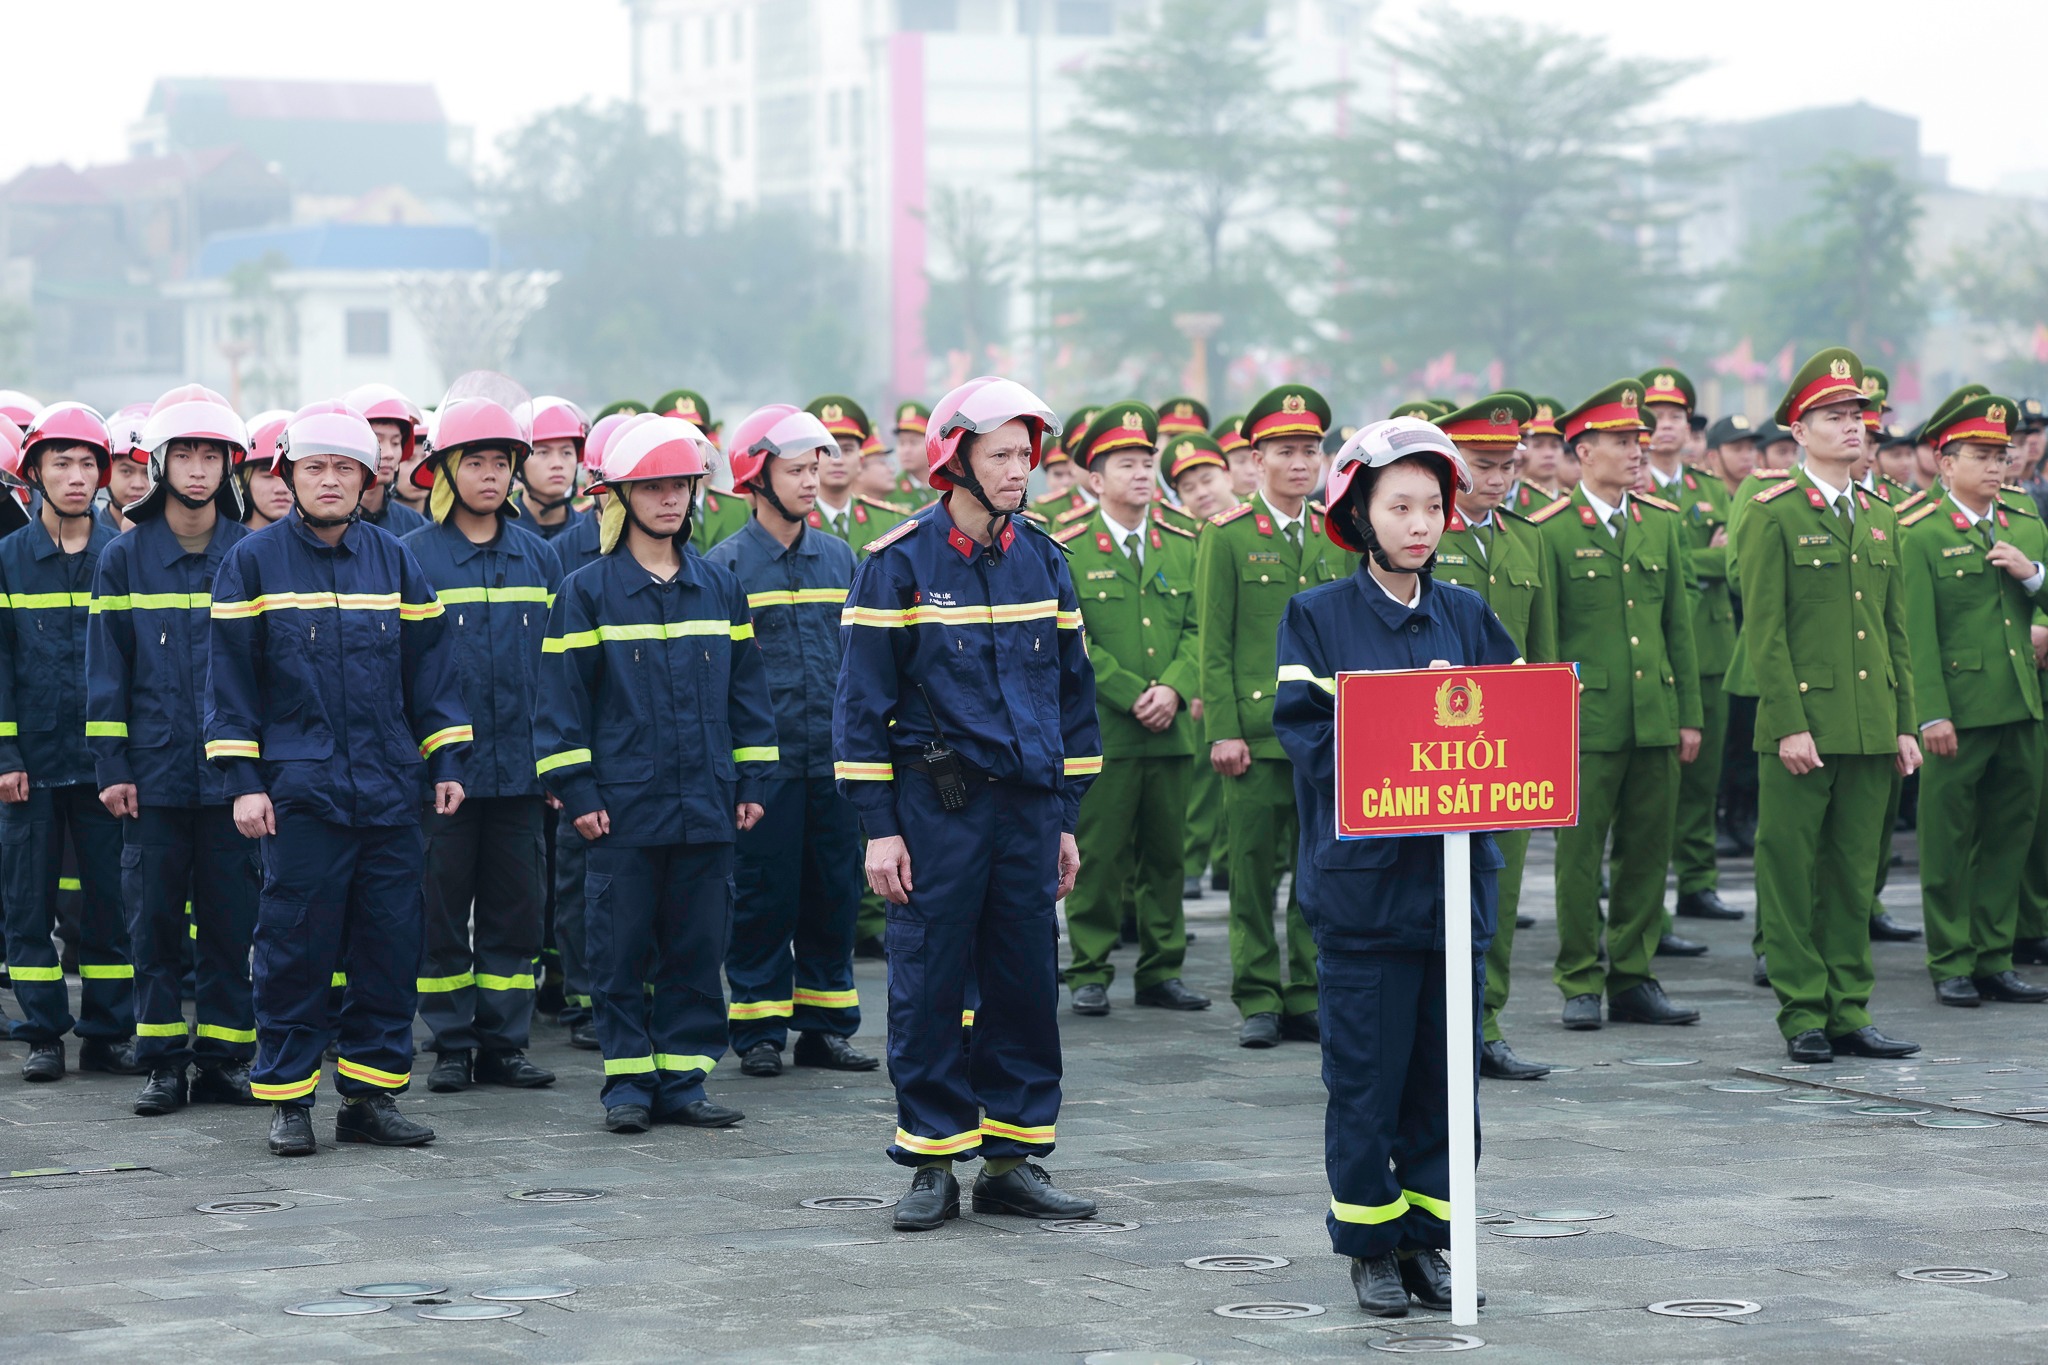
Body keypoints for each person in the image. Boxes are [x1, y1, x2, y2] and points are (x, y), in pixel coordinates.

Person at [835, 375, 1102, 1232]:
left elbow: (1073, 699)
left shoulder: (1044, 559)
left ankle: (1013, 1159)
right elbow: (858, 708)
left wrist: (1065, 816)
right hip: (935, 809)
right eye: (1002, 455)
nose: (1021, 470)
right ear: (956, 460)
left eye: (1027, 454)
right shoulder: (898, 564)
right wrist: (880, 830)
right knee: (927, 983)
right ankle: (933, 1159)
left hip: (1027, 811)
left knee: (1025, 983)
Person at [1273, 416, 1517, 1317]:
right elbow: (1306, 735)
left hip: (1457, 893)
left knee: (1445, 1083)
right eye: (1399, 505)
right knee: (1366, 1082)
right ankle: (1372, 1244)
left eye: (1432, 507)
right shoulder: (1318, 616)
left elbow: (1516, 730)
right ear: (1358, 513)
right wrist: (1406, 754)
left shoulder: (1467, 613)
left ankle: (1430, 1239)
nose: (1420, 523)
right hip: (1365, 894)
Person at [208, 399, 470, 1155]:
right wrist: (245, 780)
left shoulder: (395, 560)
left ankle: (369, 1097)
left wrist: (446, 758)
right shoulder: (251, 563)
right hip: (300, 795)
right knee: (295, 946)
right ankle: (289, 1099)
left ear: (366, 481)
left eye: (344, 468)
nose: (328, 480)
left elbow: (432, 672)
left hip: (389, 790)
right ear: (288, 473)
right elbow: (228, 685)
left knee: (390, 948)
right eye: (315, 466)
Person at [533, 413, 779, 1134]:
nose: (670, 499)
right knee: (618, 946)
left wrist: (751, 782)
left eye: (680, 485)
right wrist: (577, 789)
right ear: (619, 495)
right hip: (623, 807)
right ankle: (627, 1083)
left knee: (699, 945)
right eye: (654, 487)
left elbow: (748, 695)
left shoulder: (719, 588)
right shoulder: (585, 591)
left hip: (705, 801)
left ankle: (684, 1077)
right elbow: (560, 703)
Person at [1738, 347, 1921, 1064]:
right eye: (1834, 417)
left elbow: (1894, 629)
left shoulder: (1880, 514)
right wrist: (1787, 722)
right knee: (1789, 872)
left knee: (1853, 875)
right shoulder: (1771, 511)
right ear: (1799, 429)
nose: (1853, 428)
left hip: (1871, 725)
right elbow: (1766, 630)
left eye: (1858, 417)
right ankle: (1803, 1011)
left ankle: (1850, 1006)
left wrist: (1905, 720)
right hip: (1803, 728)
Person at [88, 384, 265, 1115]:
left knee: (233, 920)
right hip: (153, 776)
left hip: (230, 780)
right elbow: (106, 672)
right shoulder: (124, 560)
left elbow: (269, 672)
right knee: (154, 920)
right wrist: (112, 766)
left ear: (231, 465)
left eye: (211, 454)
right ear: (160, 462)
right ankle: (162, 1059)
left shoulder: (252, 555)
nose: (198, 468)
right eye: (184, 453)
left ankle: (224, 1059)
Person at [706, 404, 878, 1077]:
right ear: (755, 475)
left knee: (832, 893)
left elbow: (862, 663)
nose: (814, 479)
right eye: (797, 468)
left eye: (816, 466)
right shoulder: (726, 568)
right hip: (764, 768)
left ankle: (826, 1025)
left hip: (832, 762)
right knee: (761, 894)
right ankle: (757, 1026)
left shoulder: (840, 558)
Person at [399, 398, 562, 1094]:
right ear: (444, 471)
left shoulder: (541, 556)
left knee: (517, 911)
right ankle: (451, 1041)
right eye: (476, 463)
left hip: (523, 771)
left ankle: (505, 1039)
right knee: (439, 910)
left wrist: (559, 760)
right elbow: (401, 670)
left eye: (502, 462)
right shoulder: (412, 557)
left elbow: (559, 670)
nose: (491, 476)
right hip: (446, 775)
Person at [1534, 380, 1703, 1031]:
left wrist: (1688, 713)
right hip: (1586, 721)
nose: (1638, 450)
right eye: (1621, 441)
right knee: (1581, 857)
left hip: (1654, 714)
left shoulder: (1659, 521)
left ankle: (1633, 973)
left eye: (1640, 439)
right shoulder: (1548, 531)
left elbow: (1676, 629)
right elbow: (1545, 638)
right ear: (1582, 451)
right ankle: (1580, 976)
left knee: (1646, 851)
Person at [1197, 384, 1355, 1049]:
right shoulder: (1229, 536)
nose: (1300, 463)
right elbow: (1215, 640)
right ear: (1255, 459)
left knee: (1316, 873)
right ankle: (1258, 992)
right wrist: (1224, 730)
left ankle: (1305, 992)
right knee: (1255, 876)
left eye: (1310, 450)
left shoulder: (1338, 532)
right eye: (1285, 451)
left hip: (1321, 733)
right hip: (1256, 738)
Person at [1054, 403, 1209, 1017]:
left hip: (1171, 730)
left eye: (1148, 462)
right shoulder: (1068, 546)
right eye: (1127, 464)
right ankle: (1089, 968)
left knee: (1166, 857)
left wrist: (1173, 686)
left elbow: (1200, 628)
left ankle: (1161, 968)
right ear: (1095, 479)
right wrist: (1128, 692)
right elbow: (1073, 637)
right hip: (1104, 731)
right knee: (1098, 853)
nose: (1143, 473)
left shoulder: (1183, 543)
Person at [0, 402, 138, 1083]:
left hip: (106, 765)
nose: (77, 476)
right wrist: (4, 755)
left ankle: (110, 1031)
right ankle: (42, 1032)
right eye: (62, 462)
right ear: (34, 473)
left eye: (88, 463)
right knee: (28, 904)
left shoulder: (124, 556)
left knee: (112, 903)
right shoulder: (7, 560)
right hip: (29, 767)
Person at [1899, 393, 2048, 1007]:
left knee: (2011, 832)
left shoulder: (2025, 522)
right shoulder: (1920, 531)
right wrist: (1930, 712)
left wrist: (2032, 575)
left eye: (2002, 455)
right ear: (1944, 462)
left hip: (2021, 702)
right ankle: (1951, 959)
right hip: (1958, 710)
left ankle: (1994, 955)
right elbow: (1915, 633)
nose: (1996, 467)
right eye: (1981, 456)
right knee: (1949, 840)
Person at [1423, 392, 1555, 1080]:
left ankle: (1486, 1022)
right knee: (1431, 894)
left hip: (1507, 750)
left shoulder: (1527, 537)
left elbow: (1546, 652)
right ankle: (1432, 1028)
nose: (1500, 477)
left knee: (1496, 895)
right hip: (1432, 746)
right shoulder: (1419, 534)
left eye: (1508, 464)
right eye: (1485, 463)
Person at [1637, 371, 1741, 935]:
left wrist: (1705, 560)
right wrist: (1704, 558)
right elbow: (1692, 563)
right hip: (1657, 653)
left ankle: (1698, 881)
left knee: (1706, 777)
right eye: (1655, 417)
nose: (1666, 426)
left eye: (1676, 416)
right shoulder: (1634, 488)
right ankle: (1653, 896)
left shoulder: (1707, 489)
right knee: (1661, 782)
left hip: (1713, 648)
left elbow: (1737, 562)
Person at [1161, 432, 1240, 903]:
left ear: (1228, 474)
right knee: (1197, 781)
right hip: (1201, 681)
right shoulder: (1184, 538)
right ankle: (1192, 864)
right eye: (1188, 488)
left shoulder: (1254, 528)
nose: (1201, 492)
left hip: (1255, 680)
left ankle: (1227, 864)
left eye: (1207, 479)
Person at [806, 395, 911, 554]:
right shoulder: (793, 523)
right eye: (827, 450)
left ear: (860, 460)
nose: (837, 460)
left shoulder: (892, 521)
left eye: (847, 450)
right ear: (811, 458)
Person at [342, 384, 430, 538]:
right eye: (377, 441)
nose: (389, 453)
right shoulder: (327, 526)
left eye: (395, 443)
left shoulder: (418, 529)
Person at [515, 395, 591, 544]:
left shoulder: (593, 536)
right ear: (519, 463)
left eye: (566, 453)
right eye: (543, 452)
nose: (557, 464)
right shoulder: (496, 533)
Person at [101, 403, 155, 536]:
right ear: (107, 471)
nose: (137, 484)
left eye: (148, 473)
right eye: (126, 471)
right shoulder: (84, 537)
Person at [237, 412, 296, 531]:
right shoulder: (231, 547)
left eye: (289, 476)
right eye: (267, 475)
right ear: (243, 480)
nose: (281, 489)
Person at [891, 400, 932, 504]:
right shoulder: (890, 490)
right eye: (901, 443)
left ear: (930, 444)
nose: (906, 450)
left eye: (913, 443)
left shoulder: (949, 486)